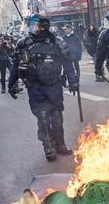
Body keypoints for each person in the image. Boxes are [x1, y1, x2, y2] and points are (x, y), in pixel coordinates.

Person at [8, 14, 78, 161]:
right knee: (43, 117)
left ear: (44, 26)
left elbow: (68, 64)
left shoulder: (57, 42)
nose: (34, 28)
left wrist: (73, 81)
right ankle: (49, 147)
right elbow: (15, 66)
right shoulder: (23, 43)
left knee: (57, 118)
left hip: (54, 85)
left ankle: (60, 145)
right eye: (32, 25)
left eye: (37, 25)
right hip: (35, 86)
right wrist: (11, 83)